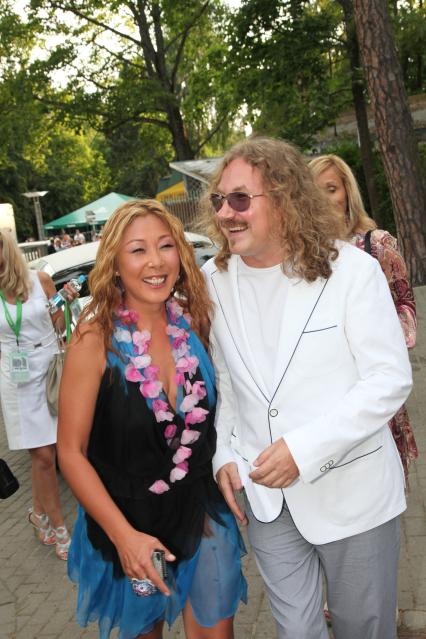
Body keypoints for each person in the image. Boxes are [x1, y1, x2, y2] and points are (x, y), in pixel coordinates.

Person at [201, 136, 412, 639]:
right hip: (265, 496)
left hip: (353, 494)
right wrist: (223, 453)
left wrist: (304, 448)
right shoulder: (213, 279)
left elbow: (389, 378)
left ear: (285, 198)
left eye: (240, 199)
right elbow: (224, 379)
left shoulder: (352, 271)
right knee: (297, 631)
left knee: (363, 628)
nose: (226, 213)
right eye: (219, 200)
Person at [57, 199, 247, 639]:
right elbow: (70, 452)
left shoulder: (196, 323)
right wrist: (124, 536)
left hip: (199, 510)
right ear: (114, 262)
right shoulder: (95, 338)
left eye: (165, 245)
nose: (156, 261)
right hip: (127, 517)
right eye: (138, 250)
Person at [309, 153, 418, 478]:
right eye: (314, 191)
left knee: (384, 482)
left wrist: (368, 338)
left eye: (331, 189)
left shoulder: (377, 245)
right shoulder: (303, 256)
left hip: (374, 390)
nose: (324, 198)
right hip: (323, 397)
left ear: (347, 193)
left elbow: (407, 312)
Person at [0, 229, 71, 559]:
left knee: (50, 453)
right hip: (16, 380)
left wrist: (65, 302)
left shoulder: (39, 280)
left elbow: (59, 325)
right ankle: (60, 529)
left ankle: (38, 513)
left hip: (49, 370)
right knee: (43, 456)